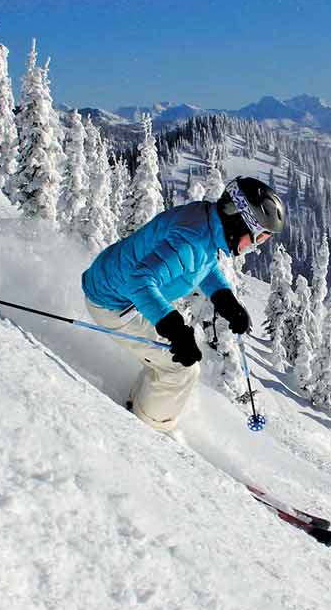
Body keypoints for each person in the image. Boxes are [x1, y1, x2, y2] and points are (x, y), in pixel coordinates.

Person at [81, 176, 286, 432]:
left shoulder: (205, 224)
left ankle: (140, 405)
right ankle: (144, 431)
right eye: (258, 238)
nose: (254, 247)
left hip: (117, 287)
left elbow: (204, 263)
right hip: (114, 304)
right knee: (181, 369)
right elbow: (140, 281)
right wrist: (174, 328)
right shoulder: (192, 239)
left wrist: (225, 298)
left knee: (173, 360)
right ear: (240, 221)